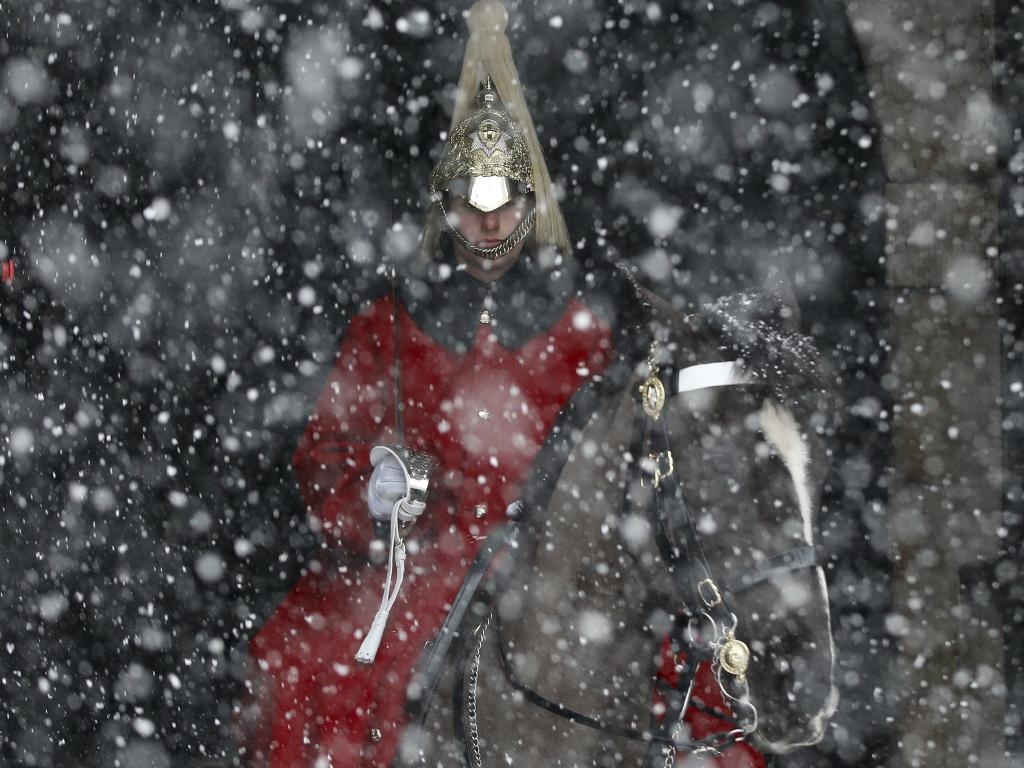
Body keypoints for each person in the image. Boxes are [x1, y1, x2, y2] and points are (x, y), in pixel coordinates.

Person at [242, 2, 767, 765]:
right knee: (314, 664)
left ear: (532, 203)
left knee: (698, 689)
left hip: (573, 569)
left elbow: (644, 451)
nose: (489, 225)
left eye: (505, 203)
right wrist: (376, 493)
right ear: (446, 205)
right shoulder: (387, 329)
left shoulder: (593, 327)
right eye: (470, 203)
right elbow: (327, 456)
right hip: (425, 566)